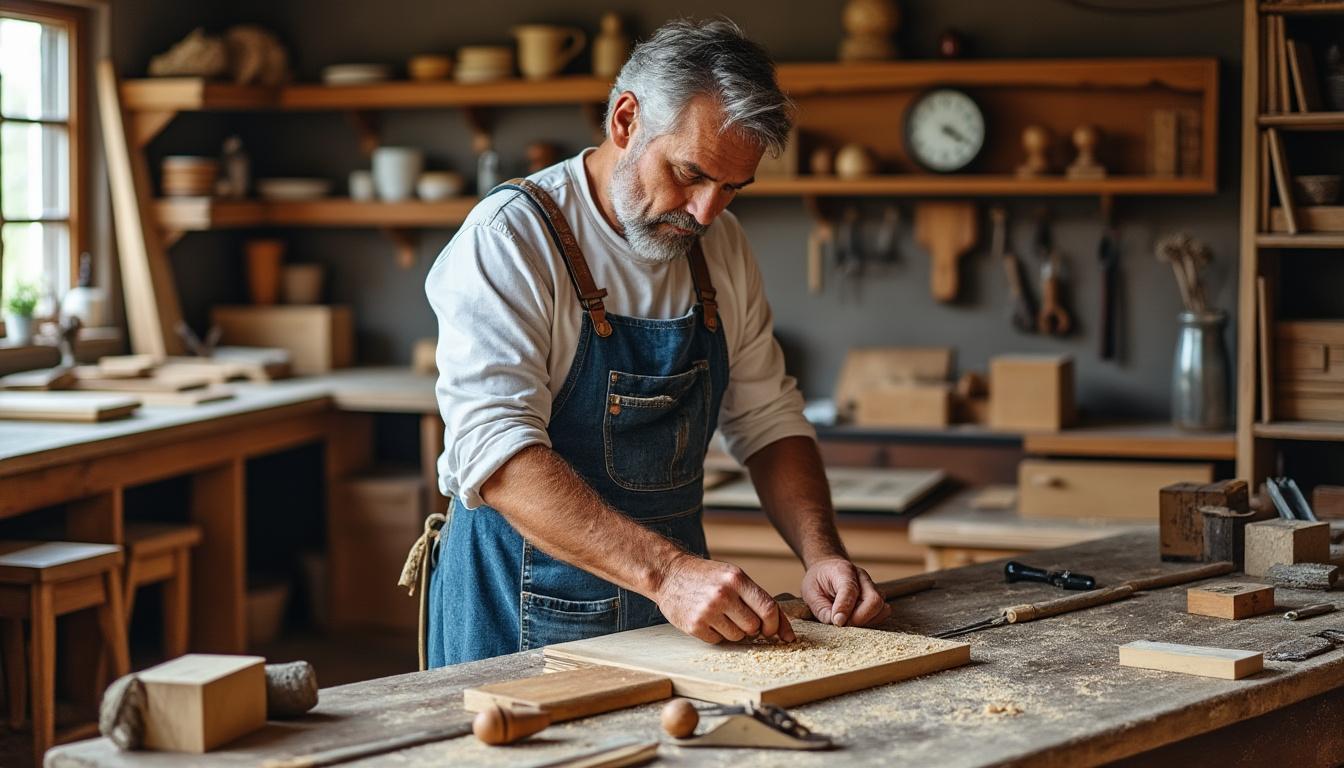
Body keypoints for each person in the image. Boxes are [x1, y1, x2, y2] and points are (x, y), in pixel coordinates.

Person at [424, 18, 891, 667]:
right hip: (517, 619)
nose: (706, 212)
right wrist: (669, 574)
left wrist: (821, 553)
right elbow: (498, 456)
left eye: (732, 188)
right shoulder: (509, 241)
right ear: (624, 120)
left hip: (669, 616)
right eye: (690, 173)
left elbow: (769, 419)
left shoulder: (719, 248)